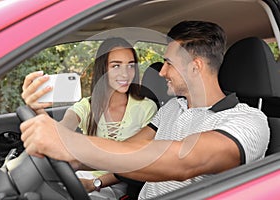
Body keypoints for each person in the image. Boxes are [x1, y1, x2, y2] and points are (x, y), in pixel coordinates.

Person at [20, 21, 270, 199]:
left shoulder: (247, 121)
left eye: (169, 64)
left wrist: (71, 146)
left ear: (195, 67)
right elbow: (127, 151)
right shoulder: (173, 108)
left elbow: (184, 162)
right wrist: (51, 129)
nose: (161, 72)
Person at [21, 37, 158, 199]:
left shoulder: (147, 107)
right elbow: (60, 131)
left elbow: (139, 161)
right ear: (103, 70)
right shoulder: (87, 105)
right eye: (116, 66)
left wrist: (95, 184)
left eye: (130, 66)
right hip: (82, 178)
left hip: (117, 185)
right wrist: (36, 108)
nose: (125, 73)